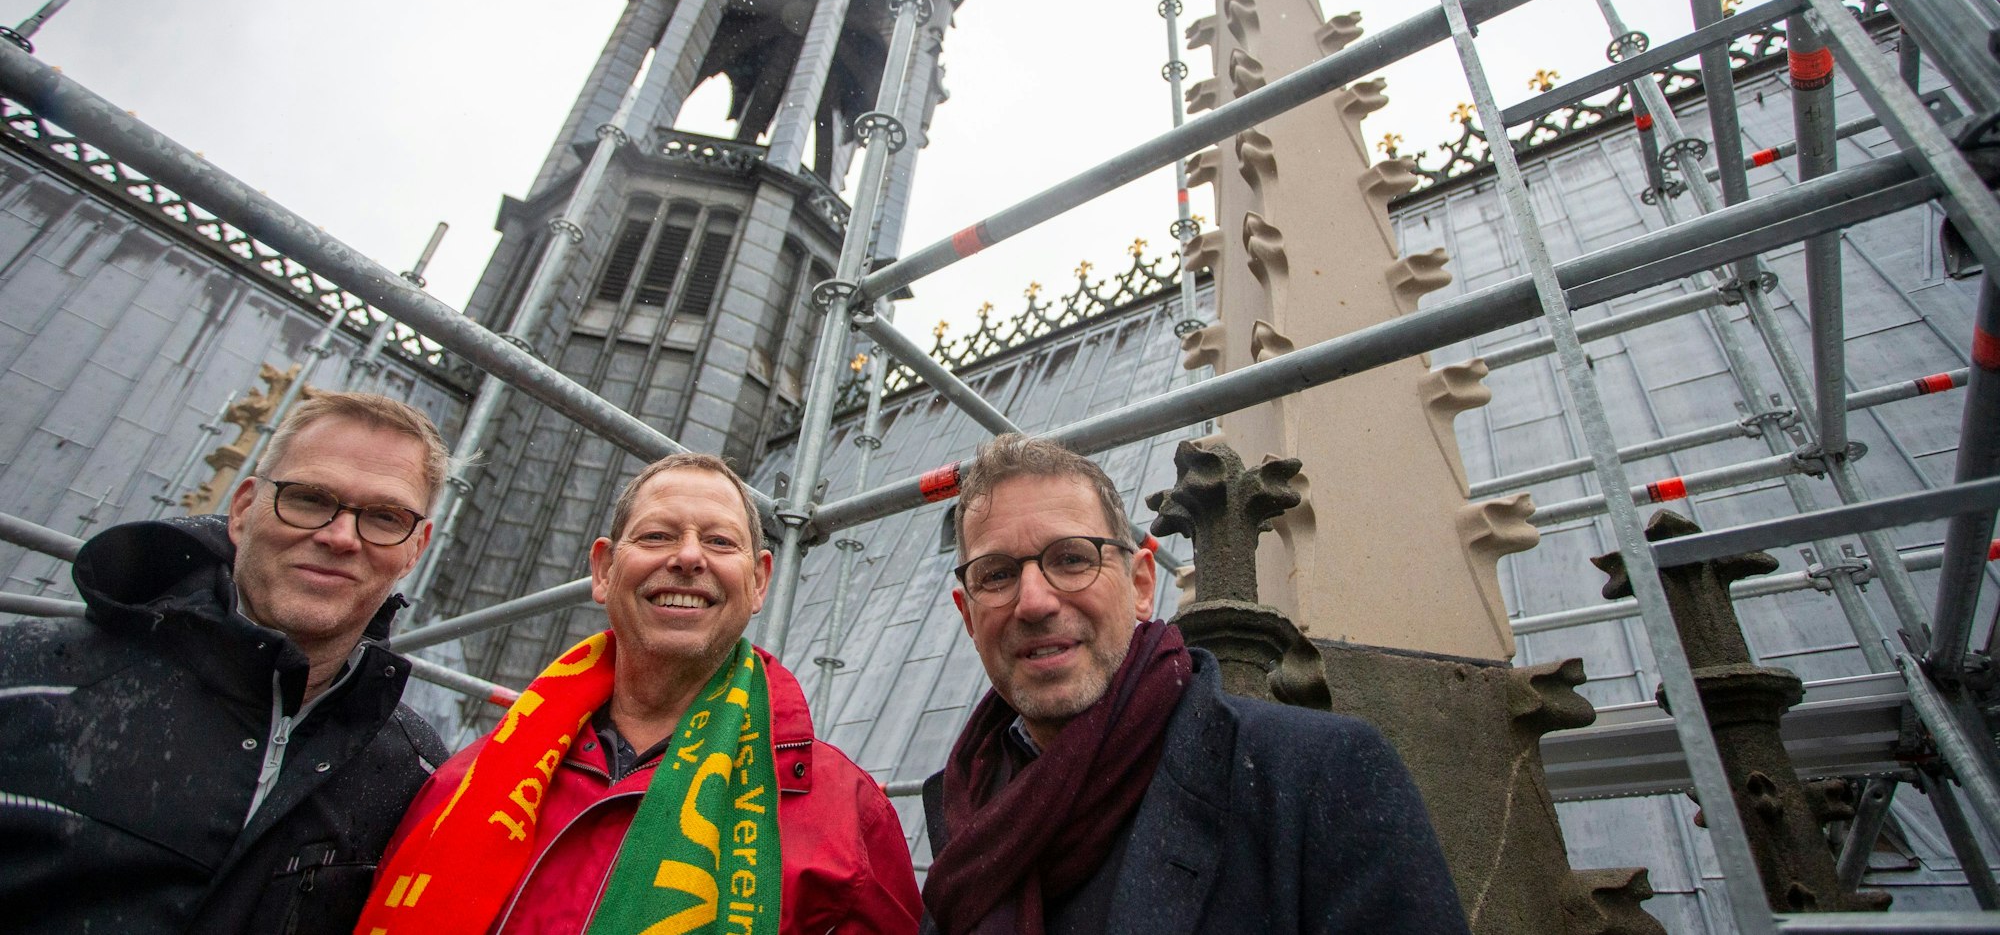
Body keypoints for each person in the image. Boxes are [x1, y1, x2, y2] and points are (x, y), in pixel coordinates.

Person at [921, 434, 1470, 935]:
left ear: (1141, 585)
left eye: (1071, 559)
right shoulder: (965, 812)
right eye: (997, 574)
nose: (1034, 601)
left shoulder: (1321, 777)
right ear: (968, 616)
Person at [362, 452, 921, 935]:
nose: (689, 557)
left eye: (720, 541)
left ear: (759, 582)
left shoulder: (846, 818)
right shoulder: (458, 785)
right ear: (604, 570)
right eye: (656, 536)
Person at [0, 390, 451, 934]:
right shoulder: (24, 679)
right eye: (309, 499)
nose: (339, 536)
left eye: (384, 516)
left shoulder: (418, 774)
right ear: (242, 509)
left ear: (416, 548)